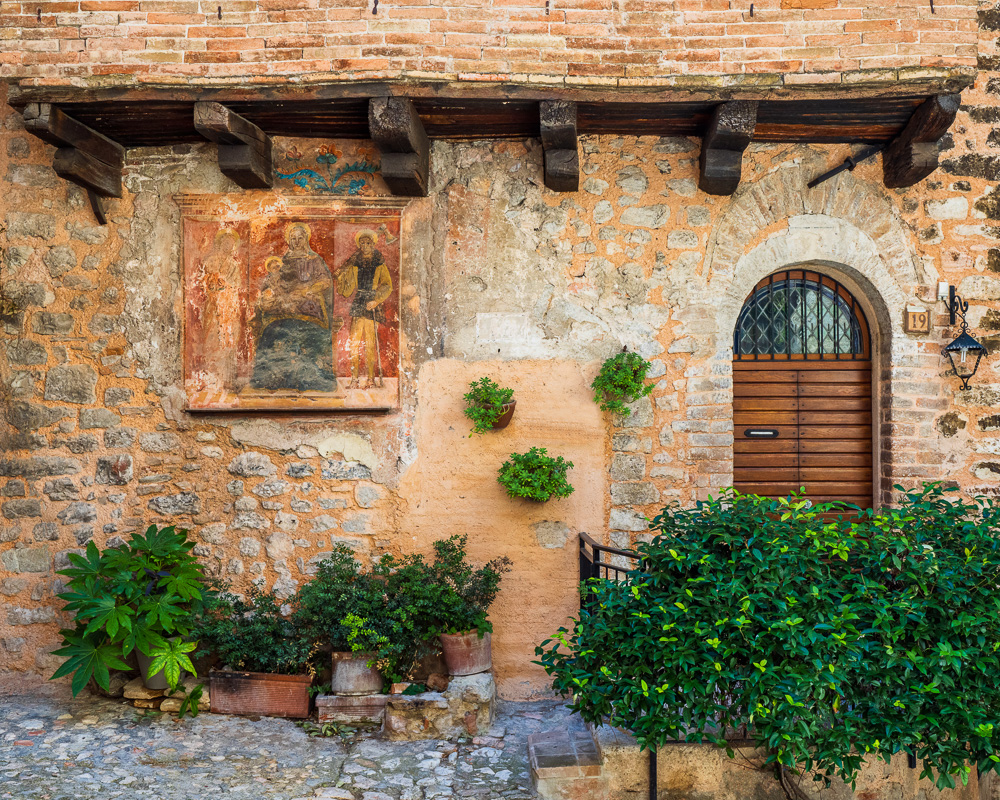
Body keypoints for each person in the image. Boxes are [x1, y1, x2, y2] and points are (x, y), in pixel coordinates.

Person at [250, 223, 339, 392]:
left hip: (309, 304)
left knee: (307, 328)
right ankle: (273, 376)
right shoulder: (283, 261)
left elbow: (325, 281)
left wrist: (308, 289)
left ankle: (312, 378)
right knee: (272, 327)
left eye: (300, 238)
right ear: (289, 241)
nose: (297, 242)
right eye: (293, 238)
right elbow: (273, 282)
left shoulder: (315, 260)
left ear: (306, 239)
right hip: (287, 304)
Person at [335, 229, 392, 390]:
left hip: (372, 302)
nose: (365, 246)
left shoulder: (379, 262)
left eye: (368, 243)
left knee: (370, 343)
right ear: (359, 245)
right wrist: (341, 278)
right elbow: (346, 288)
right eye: (362, 243)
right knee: (354, 342)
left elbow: (387, 285)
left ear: (373, 244)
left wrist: (376, 300)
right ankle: (354, 379)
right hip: (359, 301)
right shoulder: (355, 262)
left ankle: (371, 379)